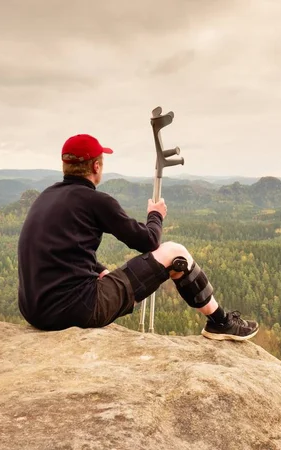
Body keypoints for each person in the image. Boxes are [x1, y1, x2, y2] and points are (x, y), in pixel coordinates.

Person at [17, 133, 259, 341]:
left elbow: (61, 251)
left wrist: (98, 270)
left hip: (34, 311)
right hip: (77, 311)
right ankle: (220, 322)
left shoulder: (45, 197)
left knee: (111, 272)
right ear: (96, 167)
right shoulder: (96, 201)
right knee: (176, 253)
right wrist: (155, 216)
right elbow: (149, 242)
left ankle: (221, 321)